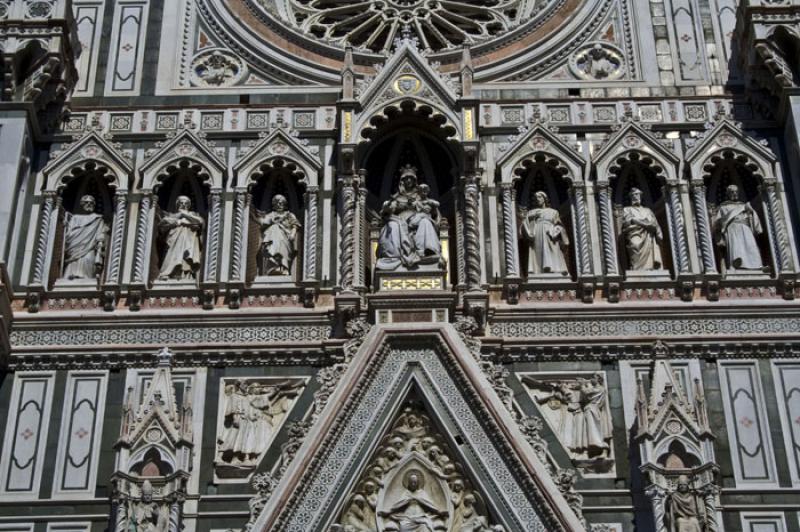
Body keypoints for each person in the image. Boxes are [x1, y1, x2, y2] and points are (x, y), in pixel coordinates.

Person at [376, 166, 442, 271]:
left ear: (415, 180)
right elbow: (388, 211)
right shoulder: (396, 197)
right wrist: (388, 208)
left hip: (417, 220)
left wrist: (430, 210)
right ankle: (392, 257)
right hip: (399, 221)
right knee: (392, 226)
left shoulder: (421, 196)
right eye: (406, 178)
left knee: (426, 221)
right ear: (402, 181)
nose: (409, 180)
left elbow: (433, 211)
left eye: (411, 178)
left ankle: (427, 251)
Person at [713, 184, 764, 271]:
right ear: (728, 194)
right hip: (732, 229)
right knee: (737, 248)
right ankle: (737, 265)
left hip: (745, 228)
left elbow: (752, 218)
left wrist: (751, 211)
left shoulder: (744, 205)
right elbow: (718, 222)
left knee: (751, 246)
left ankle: (757, 265)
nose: (735, 194)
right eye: (732, 192)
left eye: (736, 192)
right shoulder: (723, 207)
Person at [519, 191, 570, 275]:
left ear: (544, 198)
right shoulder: (531, 212)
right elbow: (524, 226)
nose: (537, 199)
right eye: (536, 198)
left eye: (539, 197)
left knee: (553, 249)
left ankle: (556, 268)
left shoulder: (553, 212)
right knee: (539, 252)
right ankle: (539, 271)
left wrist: (555, 230)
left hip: (550, 233)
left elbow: (560, 226)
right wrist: (532, 218)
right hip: (537, 232)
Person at [379, 470, 448, 532]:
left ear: (418, 483)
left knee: (424, 526)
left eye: (415, 482)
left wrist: (438, 512)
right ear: (408, 483)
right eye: (411, 482)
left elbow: (429, 504)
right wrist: (389, 512)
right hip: (408, 517)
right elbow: (398, 504)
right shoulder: (406, 493)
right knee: (403, 528)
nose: (413, 484)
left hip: (420, 517)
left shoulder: (422, 493)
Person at [61, 194, 108, 280]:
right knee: (73, 264)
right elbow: (68, 234)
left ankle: (87, 278)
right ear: (82, 204)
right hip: (74, 248)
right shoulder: (75, 218)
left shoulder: (97, 219)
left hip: (90, 247)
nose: (89, 204)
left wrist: (100, 241)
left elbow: (101, 234)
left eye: (91, 203)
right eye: (86, 202)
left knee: (87, 260)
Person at [158, 195, 204, 281]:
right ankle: (168, 274)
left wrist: (184, 215)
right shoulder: (171, 215)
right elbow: (162, 225)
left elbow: (199, 221)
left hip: (189, 241)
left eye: (186, 203)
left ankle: (185, 276)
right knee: (172, 255)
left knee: (185, 258)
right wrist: (178, 221)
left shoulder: (193, 214)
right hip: (174, 240)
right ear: (177, 204)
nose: (183, 205)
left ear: (189, 205)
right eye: (181, 203)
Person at [255, 194, 301, 276]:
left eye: (282, 203)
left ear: (285, 204)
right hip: (272, 239)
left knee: (282, 248)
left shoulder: (289, 215)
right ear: (274, 205)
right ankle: (273, 268)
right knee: (274, 228)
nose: (280, 205)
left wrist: (293, 234)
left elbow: (295, 225)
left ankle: (282, 268)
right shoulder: (271, 215)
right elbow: (262, 223)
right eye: (277, 203)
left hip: (285, 238)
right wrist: (272, 221)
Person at [621, 187, 663, 270]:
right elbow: (626, 222)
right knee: (635, 244)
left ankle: (650, 268)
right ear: (631, 197)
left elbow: (654, 223)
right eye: (634, 195)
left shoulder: (648, 210)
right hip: (635, 233)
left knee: (650, 251)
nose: (636, 196)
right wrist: (643, 223)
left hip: (648, 235)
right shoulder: (627, 209)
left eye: (638, 194)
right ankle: (636, 269)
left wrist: (658, 232)